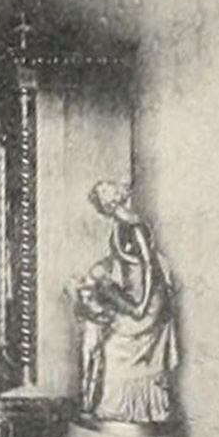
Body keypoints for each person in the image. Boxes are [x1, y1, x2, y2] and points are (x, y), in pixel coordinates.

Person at [74, 181, 179, 424]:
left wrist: (142, 304)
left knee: (113, 348)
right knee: (108, 339)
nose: (102, 207)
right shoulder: (121, 225)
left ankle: (125, 408)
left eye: (102, 201)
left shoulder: (133, 226)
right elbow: (122, 260)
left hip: (148, 301)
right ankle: (128, 408)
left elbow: (149, 265)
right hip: (134, 297)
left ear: (111, 201)